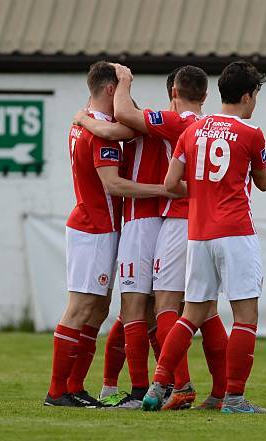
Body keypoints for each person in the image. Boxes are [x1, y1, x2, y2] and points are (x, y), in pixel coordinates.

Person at [141, 60, 266, 413]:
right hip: (235, 232)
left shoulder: (193, 130)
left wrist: (202, 191)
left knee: (191, 315)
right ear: (247, 95)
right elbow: (263, 181)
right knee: (245, 316)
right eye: (256, 94)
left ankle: (158, 385)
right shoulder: (250, 133)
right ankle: (234, 399)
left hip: (197, 234)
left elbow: (170, 185)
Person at [76, 65, 228, 410]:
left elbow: (116, 121)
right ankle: (213, 391)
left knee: (141, 307)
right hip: (193, 220)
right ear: (206, 95)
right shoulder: (211, 126)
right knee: (194, 309)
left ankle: (148, 388)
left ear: (172, 93)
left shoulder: (162, 121)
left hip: (146, 218)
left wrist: (84, 117)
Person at [44, 61, 169, 407]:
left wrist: (85, 117)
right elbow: (113, 182)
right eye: (126, 88)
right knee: (81, 308)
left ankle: (74, 387)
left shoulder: (87, 121)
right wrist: (164, 189)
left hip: (96, 225)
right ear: (112, 90)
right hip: (96, 227)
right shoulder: (100, 130)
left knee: (96, 310)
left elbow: (123, 129)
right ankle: (58, 391)